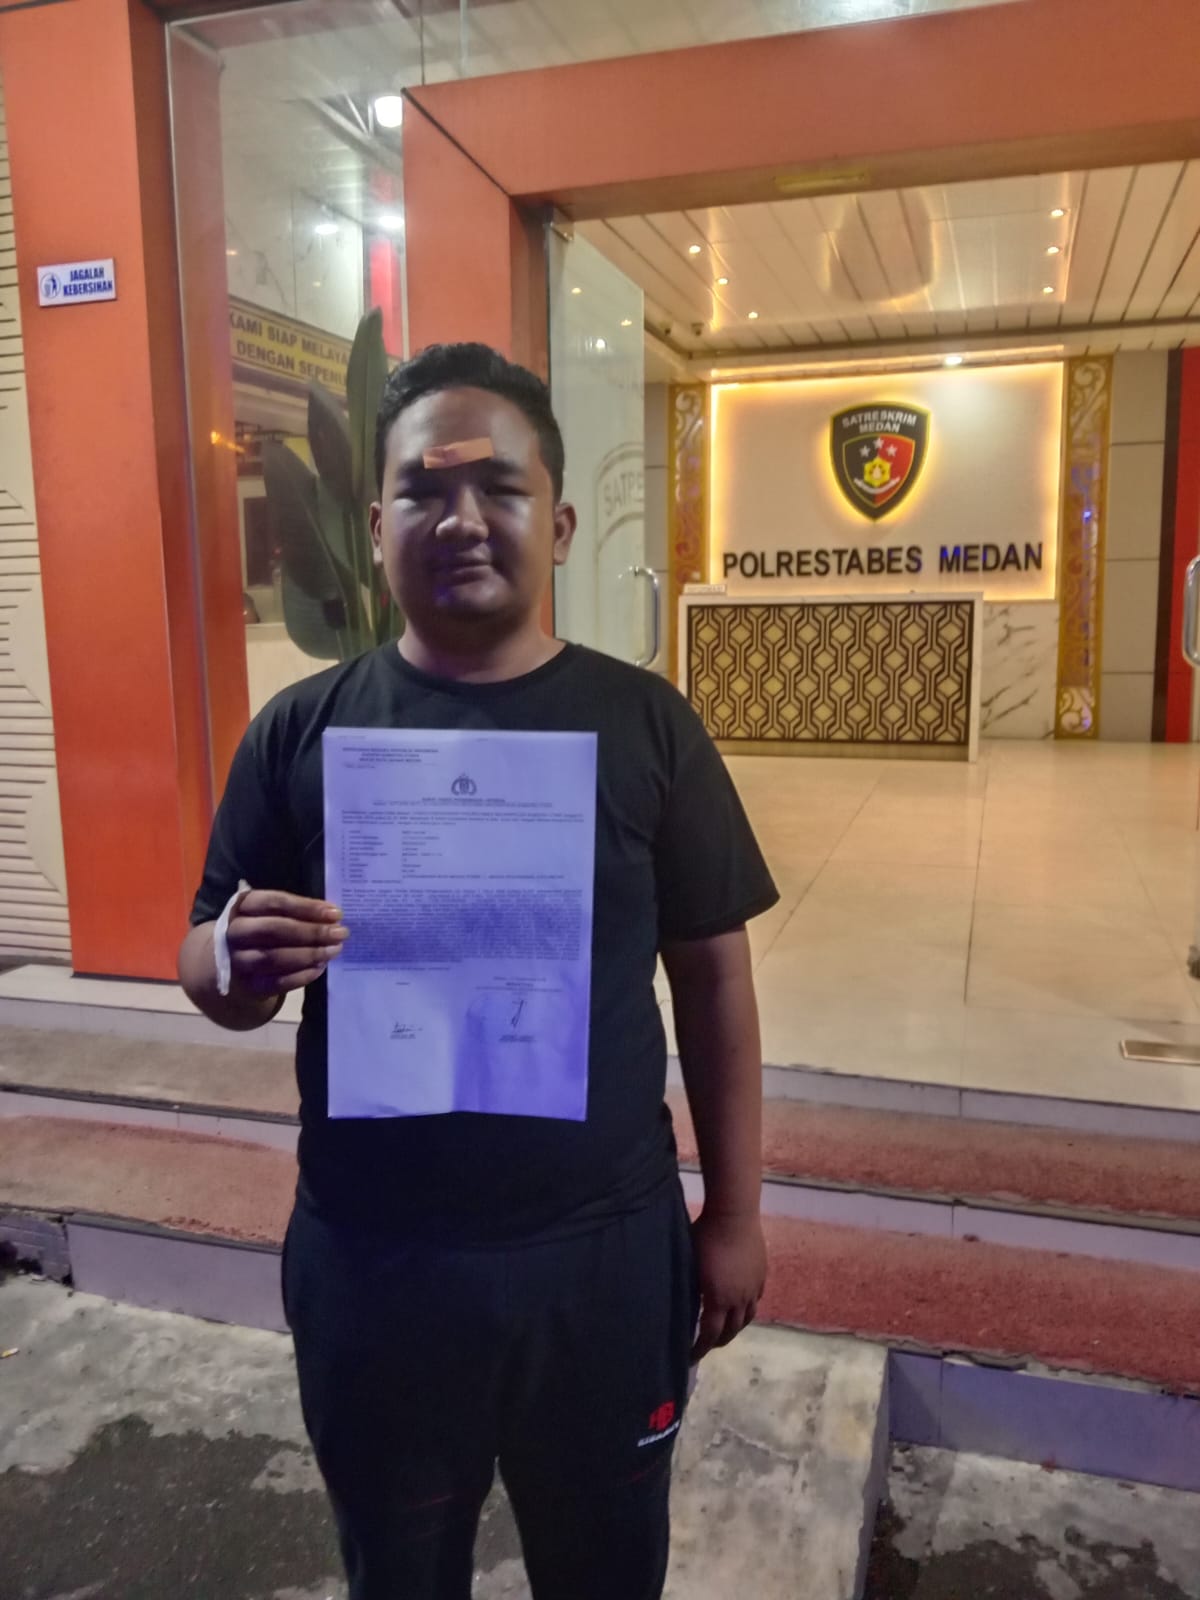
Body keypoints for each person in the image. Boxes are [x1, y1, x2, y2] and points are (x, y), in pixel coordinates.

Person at [179, 342, 778, 1600]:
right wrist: (233, 958)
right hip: (375, 1261)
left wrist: (733, 1213)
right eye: (423, 490)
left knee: (606, 1569)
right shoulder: (304, 731)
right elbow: (207, 954)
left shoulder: (647, 726)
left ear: (556, 524)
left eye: (499, 487)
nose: (461, 518)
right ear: (375, 524)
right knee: (396, 1571)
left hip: (602, 1262)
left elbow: (714, 982)